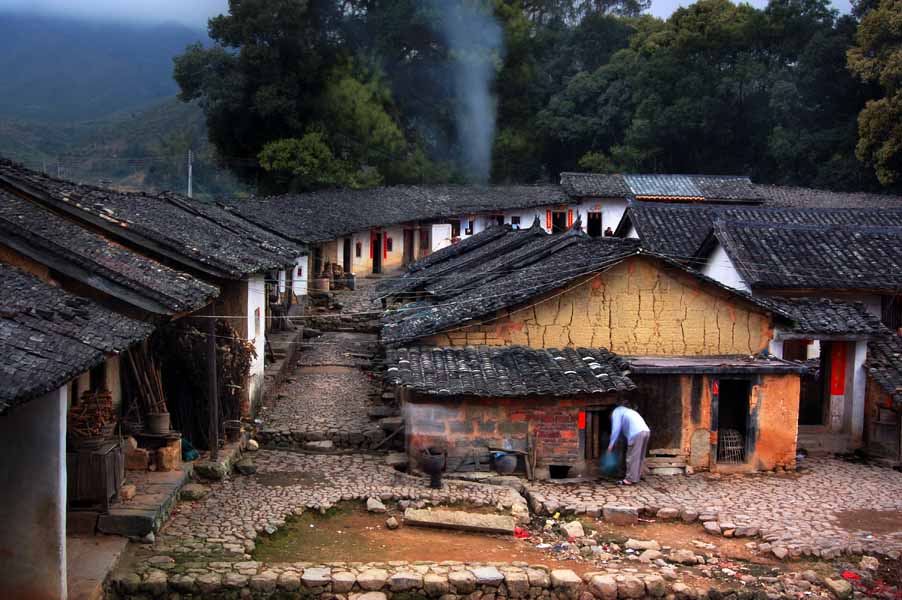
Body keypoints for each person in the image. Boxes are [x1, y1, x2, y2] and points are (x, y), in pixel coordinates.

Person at [607, 404, 650, 485]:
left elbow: (615, 429)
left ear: (611, 412)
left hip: (636, 433)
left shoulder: (616, 412)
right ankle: (638, 475)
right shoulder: (627, 411)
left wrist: (610, 445)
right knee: (640, 456)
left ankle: (629, 479)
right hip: (646, 431)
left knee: (632, 457)